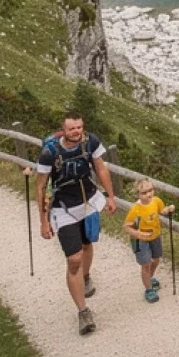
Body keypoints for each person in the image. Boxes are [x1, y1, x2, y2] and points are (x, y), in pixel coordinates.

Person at [33, 112, 117, 335]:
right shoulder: (49, 152)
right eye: (72, 128)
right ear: (64, 129)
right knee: (74, 257)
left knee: (88, 245)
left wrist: (110, 196)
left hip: (89, 203)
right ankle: (83, 311)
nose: (77, 132)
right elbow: (41, 187)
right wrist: (43, 221)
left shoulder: (91, 142)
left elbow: (100, 168)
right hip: (64, 209)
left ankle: (86, 277)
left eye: (79, 127)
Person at [124, 179, 175, 304]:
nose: (149, 194)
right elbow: (126, 226)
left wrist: (168, 209)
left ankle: (149, 278)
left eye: (151, 190)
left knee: (156, 260)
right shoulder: (136, 209)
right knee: (145, 264)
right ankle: (148, 289)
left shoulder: (156, 201)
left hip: (155, 236)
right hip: (140, 241)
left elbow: (161, 211)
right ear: (138, 194)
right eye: (144, 192)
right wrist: (138, 234)